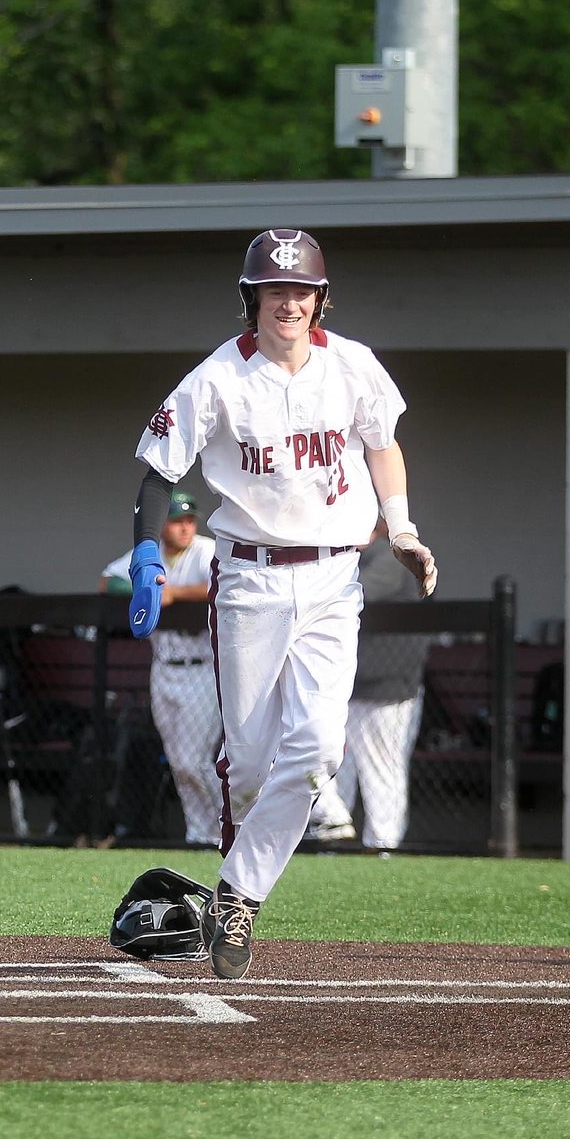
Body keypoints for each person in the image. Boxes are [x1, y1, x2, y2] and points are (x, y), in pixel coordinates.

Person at [128, 228, 437, 979]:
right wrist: (145, 554)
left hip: (334, 576)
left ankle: (237, 895)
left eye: (301, 290)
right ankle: (229, 883)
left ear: (320, 299)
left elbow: (382, 442)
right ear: (252, 299)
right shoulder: (218, 376)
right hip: (251, 579)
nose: (288, 302)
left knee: (322, 749)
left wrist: (400, 527)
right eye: (274, 290)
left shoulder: (353, 363)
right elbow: (158, 471)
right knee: (249, 767)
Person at [100, 492, 223, 847]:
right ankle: (199, 834)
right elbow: (107, 581)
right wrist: (148, 590)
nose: (184, 528)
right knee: (178, 761)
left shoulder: (206, 550)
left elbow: (222, 582)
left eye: (189, 521)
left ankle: (228, 829)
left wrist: (174, 594)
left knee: (194, 761)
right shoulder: (149, 552)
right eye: (176, 521)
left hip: (201, 669)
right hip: (163, 668)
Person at [308, 518, 430, 852]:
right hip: (352, 683)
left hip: (387, 686)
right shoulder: (347, 558)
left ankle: (383, 843)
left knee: (381, 764)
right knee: (333, 761)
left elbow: (356, 592)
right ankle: (334, 833)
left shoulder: (390, 557)